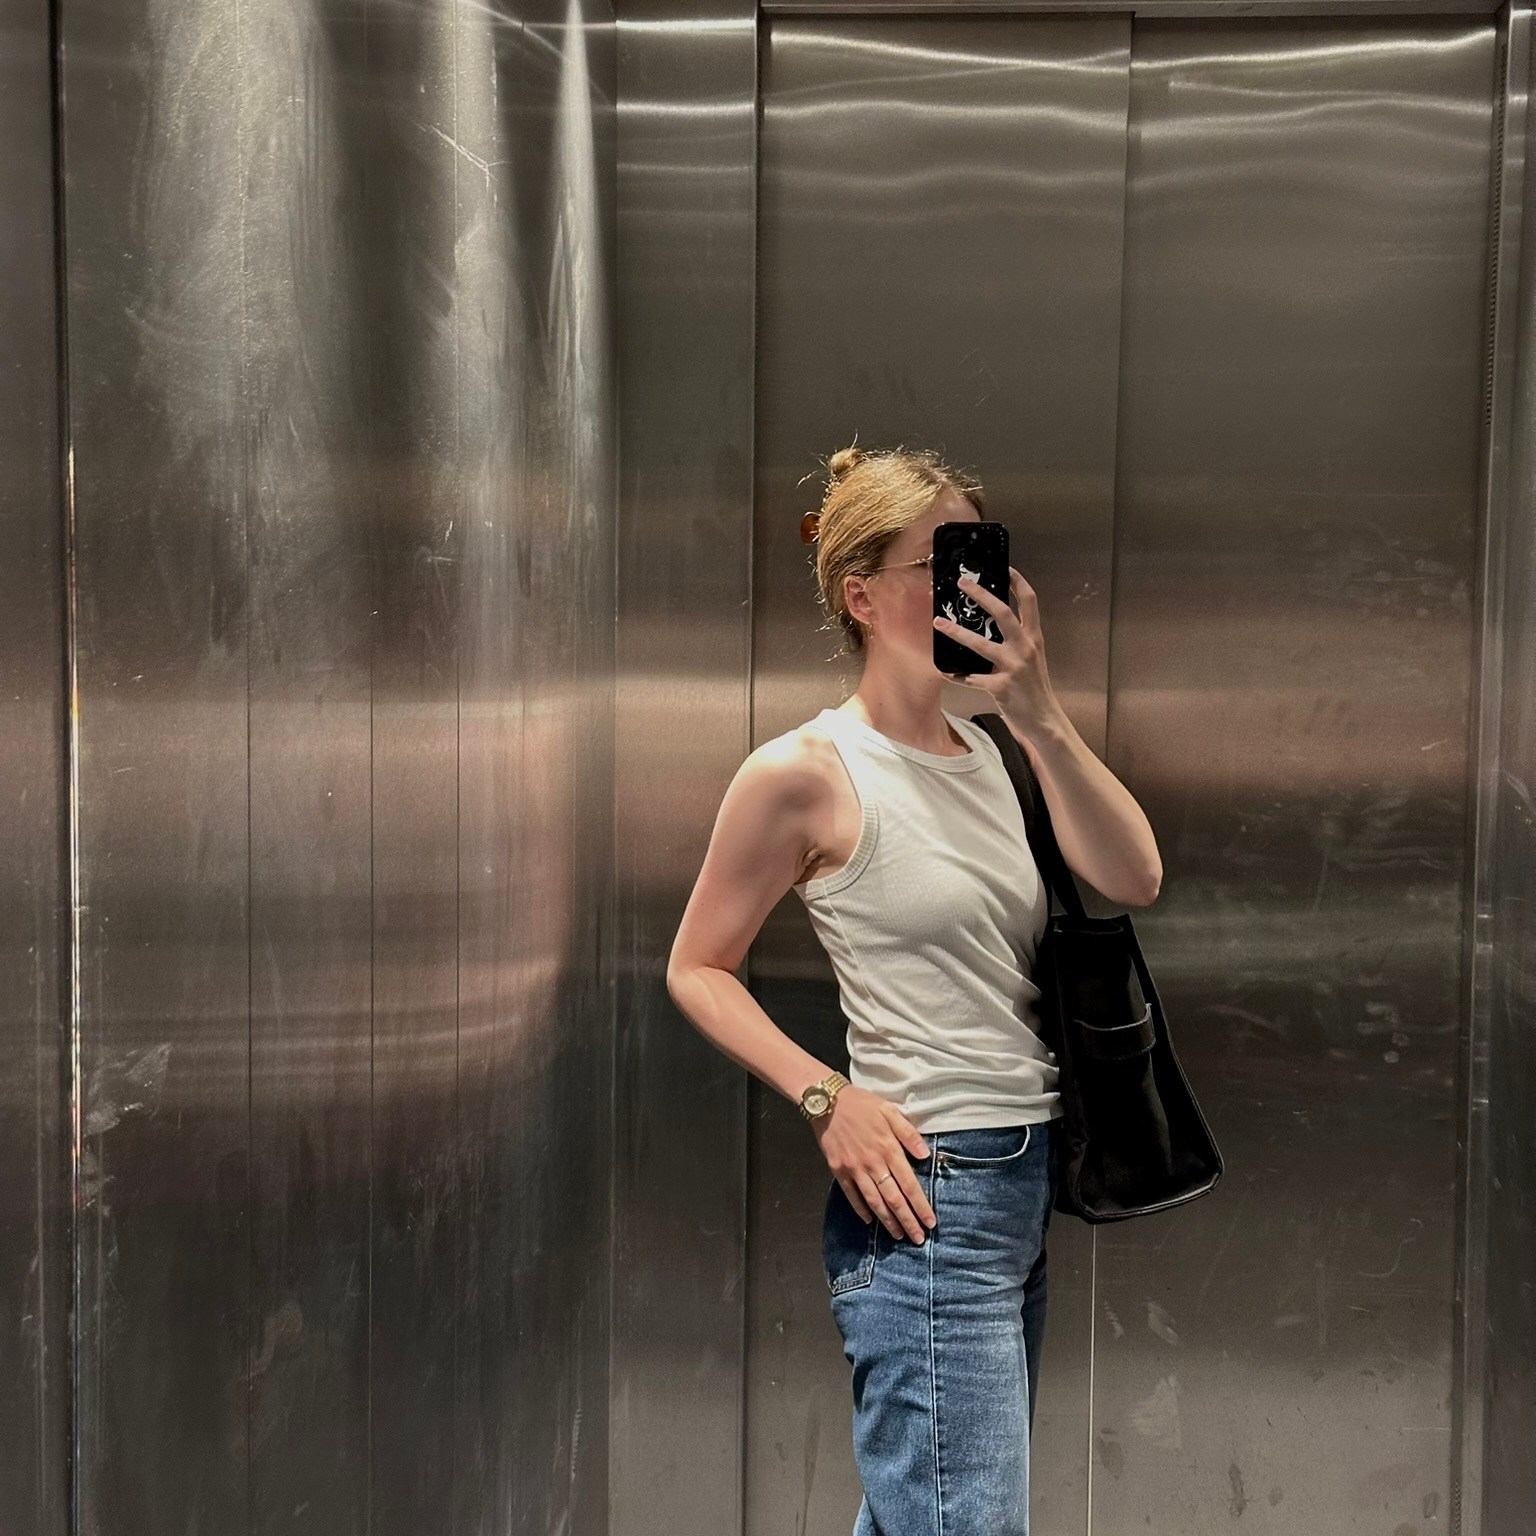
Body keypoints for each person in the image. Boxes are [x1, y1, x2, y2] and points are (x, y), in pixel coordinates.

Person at [666, 442, 1162, 1536]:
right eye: (938, 562)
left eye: (978, 556)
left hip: (1024, 1183)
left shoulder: (994, 754)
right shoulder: (806, 773)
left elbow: (1136, 875)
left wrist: (1036, 707)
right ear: (862, 597)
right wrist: (825, 1097)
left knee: (929, 1518)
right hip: (931, 1194)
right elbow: (696, 967)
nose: (967, 584)